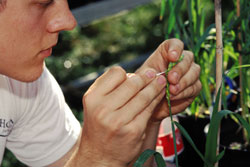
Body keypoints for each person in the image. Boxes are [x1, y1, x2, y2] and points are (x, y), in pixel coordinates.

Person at [0, 0, 201, 166]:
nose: (69, 22)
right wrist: (97, 158)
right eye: (44, 2)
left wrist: (145, 115)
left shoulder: (24, 83)